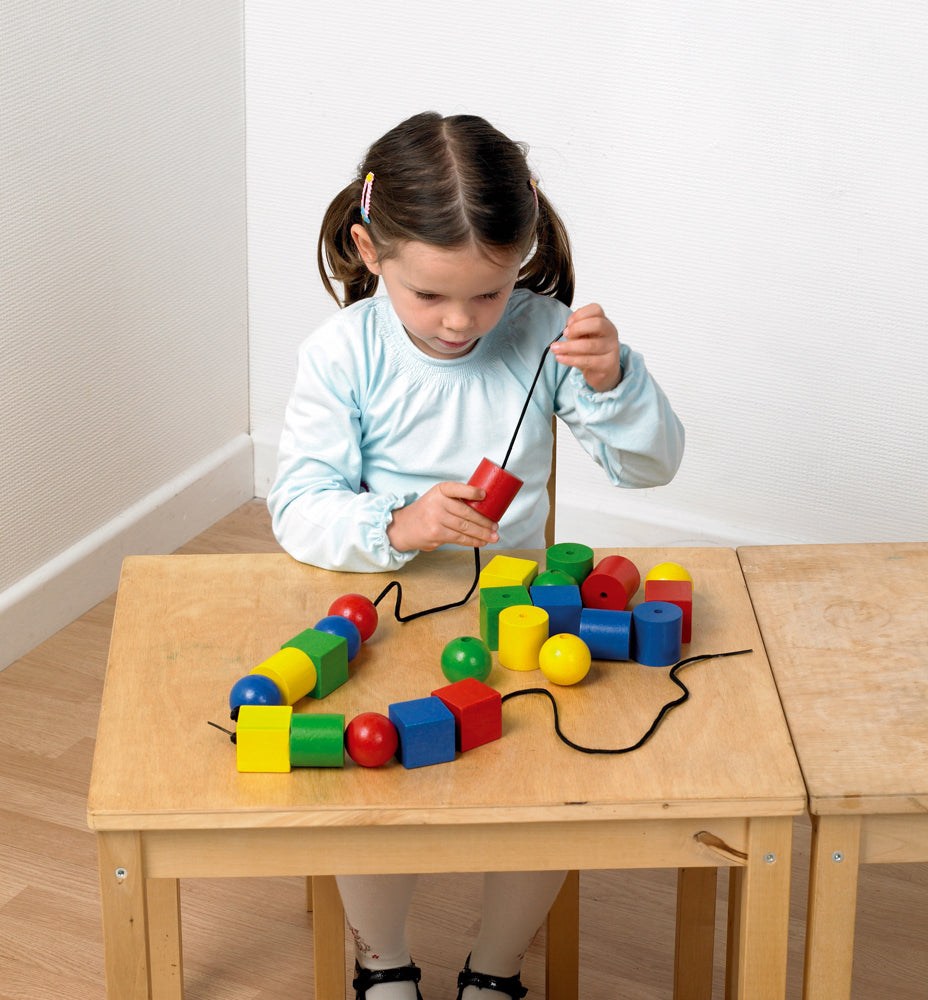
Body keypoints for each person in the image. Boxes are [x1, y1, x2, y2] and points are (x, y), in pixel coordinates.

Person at [268, 112, 684, 1000]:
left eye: (488, 295)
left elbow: (650, 468)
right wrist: (401, 523)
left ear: (524, 248)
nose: (460, 323)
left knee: (543, 785)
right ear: (369, 250)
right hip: (375, 614)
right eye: (429, 296)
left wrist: (615, 383)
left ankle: (495, 970)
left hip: (516, 616)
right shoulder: (343, 353)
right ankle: (383, 963)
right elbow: (299, 509)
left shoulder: (547, 334)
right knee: (369, 774)